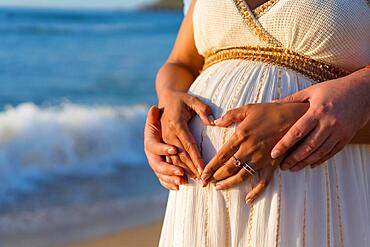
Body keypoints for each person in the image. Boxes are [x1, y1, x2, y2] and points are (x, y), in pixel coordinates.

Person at [144, 0, 370, 246]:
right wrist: (166, 106)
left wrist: (357, 93)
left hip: (311, 181)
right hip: (197, 191)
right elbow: (181, 63)